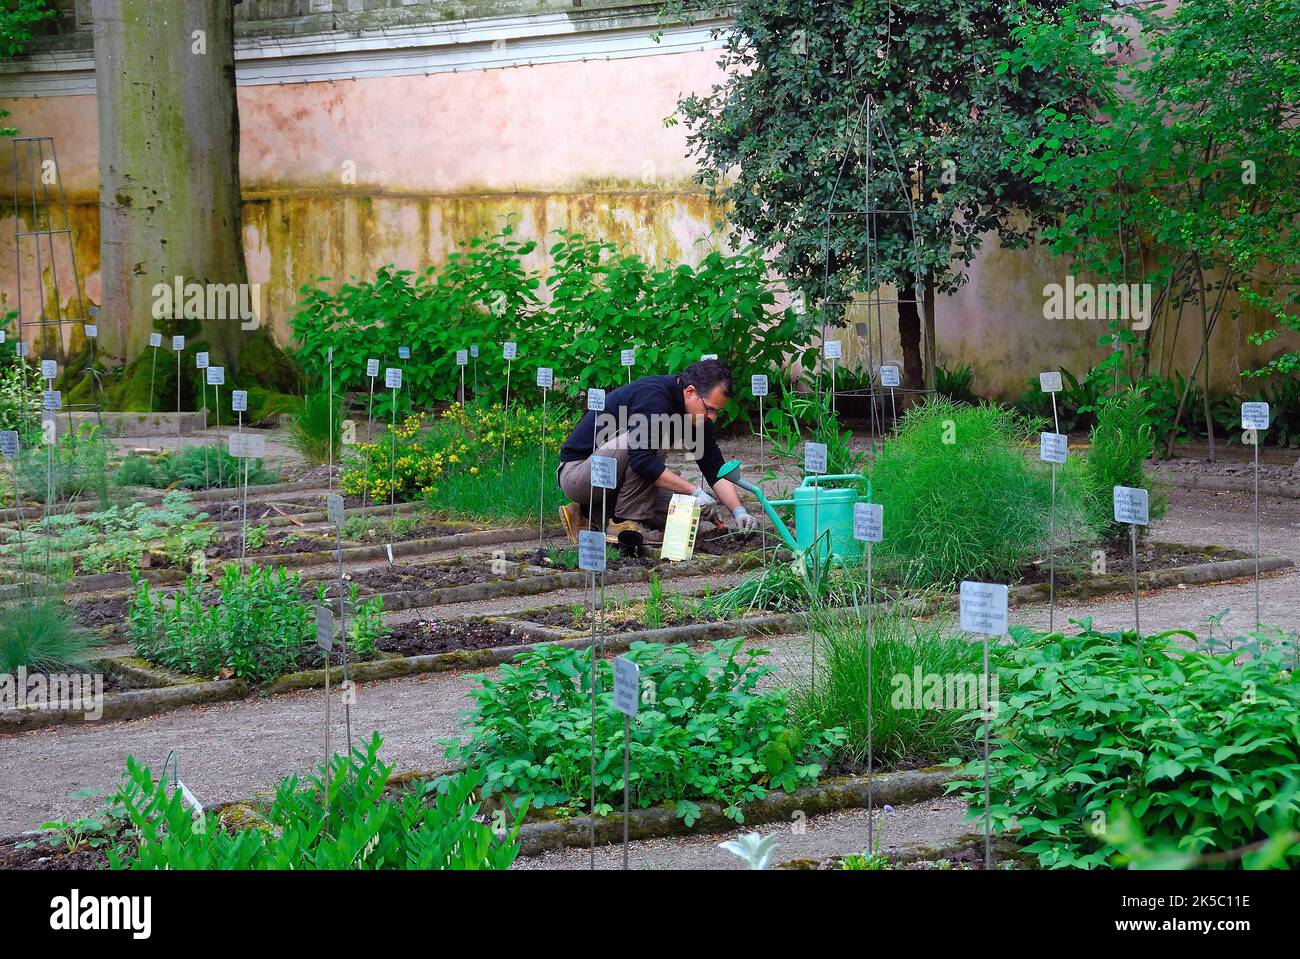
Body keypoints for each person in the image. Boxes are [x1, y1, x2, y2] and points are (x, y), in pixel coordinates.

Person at [557, 359, 760, 546]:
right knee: (651, 442)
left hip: (614, 481)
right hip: (580, 475)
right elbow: (642, 460)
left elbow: (714, 466)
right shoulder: (655, 396)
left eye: (717, 411)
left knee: (688, 514)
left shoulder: (698, 416)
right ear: (690, 391)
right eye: (709, 409)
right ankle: (625, 523)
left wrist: (738, 510)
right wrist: (694, 491)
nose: (712, 417)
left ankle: (586, 514)